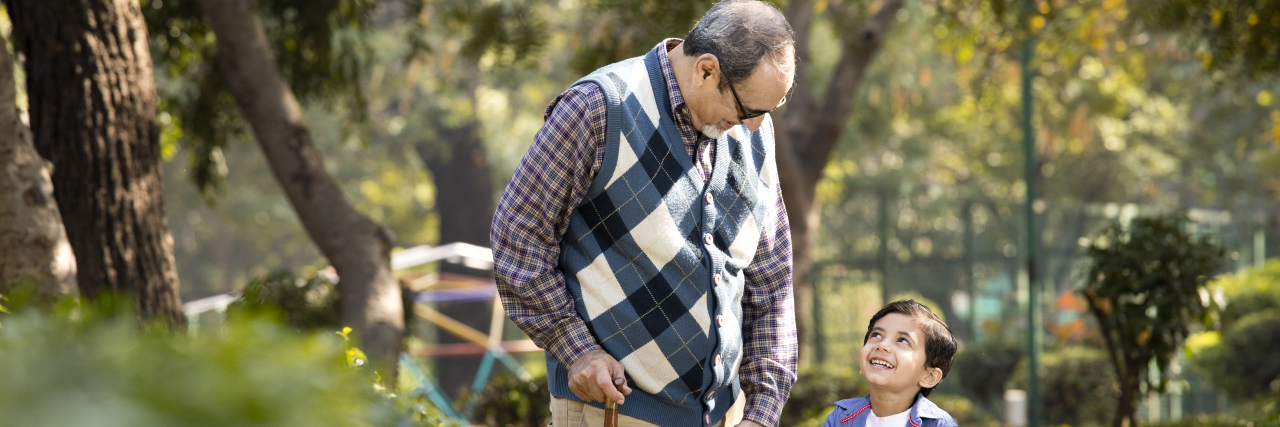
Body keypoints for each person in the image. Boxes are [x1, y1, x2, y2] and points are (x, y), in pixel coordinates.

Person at [490, 1, 798, 426]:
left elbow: (771, 279)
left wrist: (761, 412)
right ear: (706, 70)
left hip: (727, 417)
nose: (754, 126)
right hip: (612, 410)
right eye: (749, 110)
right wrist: (576, 349)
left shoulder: (755, 132)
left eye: (767, 111)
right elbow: (518, 239)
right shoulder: (599, 107)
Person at [820, 300, 959, 427]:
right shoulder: (839, 419)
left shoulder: (939, 424)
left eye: (903, 340)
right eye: (876, 335)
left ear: (929, 377)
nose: (882, 345)